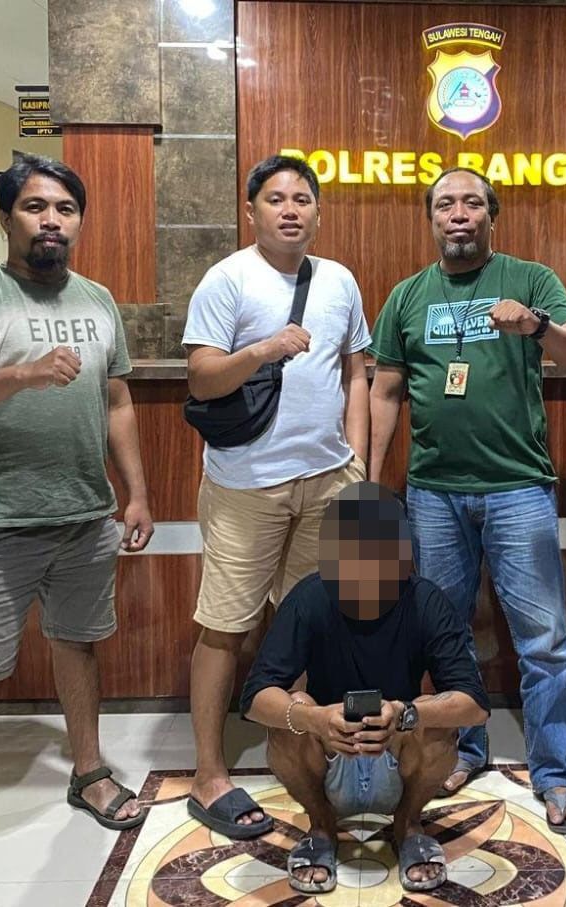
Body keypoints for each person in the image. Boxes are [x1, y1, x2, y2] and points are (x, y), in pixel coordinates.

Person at [0, 154, 155, 900]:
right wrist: (21, 373)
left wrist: (136, 492)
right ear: (6, 216)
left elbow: (117, 399)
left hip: (84, 514)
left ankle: (88, 772)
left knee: (78, 644)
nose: (51, 220)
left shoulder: (98, 299)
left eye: (64, 208)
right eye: (34, 206)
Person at [368, 167, 566, 833]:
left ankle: (556, 772)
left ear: (491, 215)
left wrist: (536, 325)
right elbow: (385, 390)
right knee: (447, 635)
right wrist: (370, 480)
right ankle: (463, 750)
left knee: (543, 640)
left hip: (518, 488)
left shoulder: (530, 279)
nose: (459, 213)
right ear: (432, 218)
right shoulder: (407, 296)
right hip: (434, 493)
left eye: (472, 202)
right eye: (446, 204)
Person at [182, 154, 371, 840]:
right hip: (245, 485)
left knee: (311, 626)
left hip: (327, 481)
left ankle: (297, 753)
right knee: (225, 627)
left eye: (302, 198)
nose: (290, 209)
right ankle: (210, 774)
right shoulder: (228, 278)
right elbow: (202, 378)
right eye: (275, 198)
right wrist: (262, 350)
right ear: (251, 211)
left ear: (318, 211)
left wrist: (357, 462)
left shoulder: (340, 280)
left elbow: (356, 372)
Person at [240, 482, 490, 894]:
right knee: (293, 706)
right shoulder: (310, 597)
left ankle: (408, 825)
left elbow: (474, 704)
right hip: (326, 758)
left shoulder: (425, 600)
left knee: (434, 710)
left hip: (400, 758)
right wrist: (315, 718)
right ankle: (321, 828)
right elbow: (255, 697)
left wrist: (407, 714)